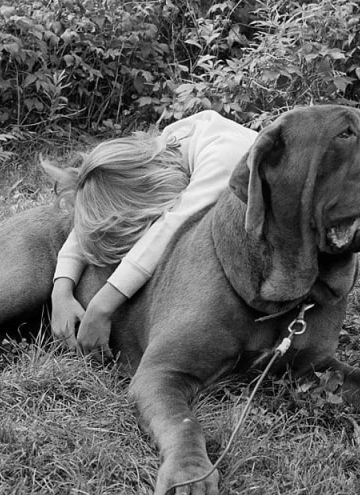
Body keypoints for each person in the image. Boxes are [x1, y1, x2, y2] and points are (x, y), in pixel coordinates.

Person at [48, 109, 258, 355]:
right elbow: (91, 224)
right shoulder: (166, 149)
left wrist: (102, 306)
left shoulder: (224, 159)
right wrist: (61, 289)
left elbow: (169, 230)